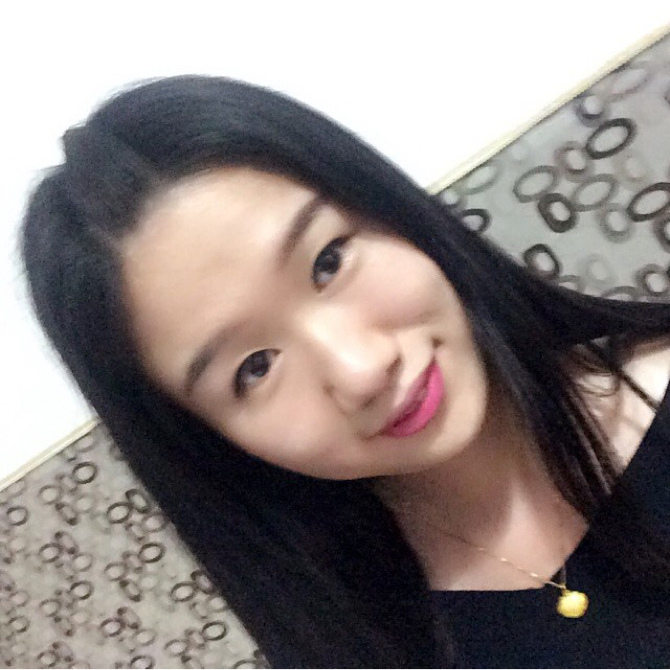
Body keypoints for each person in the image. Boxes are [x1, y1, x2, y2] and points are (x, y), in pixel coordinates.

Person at [20, 75, 670, 668]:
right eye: (254, 368)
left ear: (390, 210)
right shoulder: (357, 641)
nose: (362, 370)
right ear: (205, 437)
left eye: (328, 261)